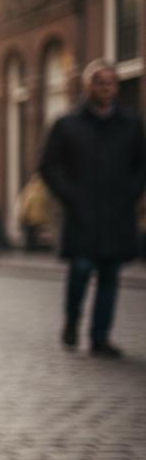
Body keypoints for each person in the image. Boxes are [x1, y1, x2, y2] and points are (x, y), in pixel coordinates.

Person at [39, 60, 146, 358]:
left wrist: (132, 193)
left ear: (116, 87)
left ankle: (100, 337)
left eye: (110, 83)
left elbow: (141, 164)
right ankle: (72, 321)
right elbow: (48, 166)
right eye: (99, 82)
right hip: (81, 213)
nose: (105, 88)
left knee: (110, 276)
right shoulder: (67, 124)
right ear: (88, 87)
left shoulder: (131, 124)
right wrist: (69, 195)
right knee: (82, 269)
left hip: (116, 212)